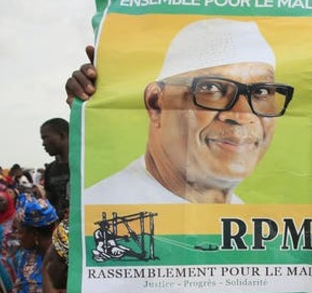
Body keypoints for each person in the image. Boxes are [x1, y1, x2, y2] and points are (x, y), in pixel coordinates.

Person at [77, 18, 295, 205]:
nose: (242, 116)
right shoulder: (104, 210)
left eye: (262, 91)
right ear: (156, 103)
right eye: (211, 88)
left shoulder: (254, 227)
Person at [8, 195, 57, 293]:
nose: (18, 237)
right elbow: (18, 290)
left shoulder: (61, 260)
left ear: (35, 234)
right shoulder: (28, 254)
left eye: (21, 232)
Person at [40, 118, 70, 217]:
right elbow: (50, 204)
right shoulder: (50, 169)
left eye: (45, 137)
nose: (43, 143)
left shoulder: (83, 165)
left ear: (62, 135)